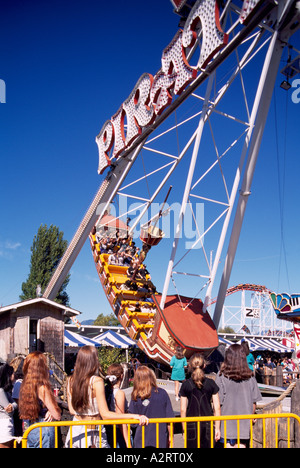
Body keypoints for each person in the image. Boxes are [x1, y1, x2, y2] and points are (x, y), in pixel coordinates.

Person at [65, 346, 148, 448]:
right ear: (92, 361)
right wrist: (134, 416)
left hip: (75, 431)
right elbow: (105, 414)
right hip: (93, 433)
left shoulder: (70, 380)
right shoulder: (96, 381)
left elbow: (72, 410)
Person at [215, 344, 262, 448]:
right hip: (244, 425)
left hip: (226, 424)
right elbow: (253, 402)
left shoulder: (221, 376)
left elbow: (218, 404)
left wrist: (217, 426)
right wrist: (251, 416)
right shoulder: (250, 377)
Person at [19, 352, 61, 448]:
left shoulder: (24, 386)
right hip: (44, 429)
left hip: (31, 428)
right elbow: (57, 415)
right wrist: (52, 410)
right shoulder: (42, 387)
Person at [179, 354, 221, 448]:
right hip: (208, 423)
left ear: (190, 366)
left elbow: (183, 409)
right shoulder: (211, 383)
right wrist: (217, 428)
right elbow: (217, 408)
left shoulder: (186, 385)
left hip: (191, 424)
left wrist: (184, 428)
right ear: (204, 366)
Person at [129, 366, 174, 448]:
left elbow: (132, 422)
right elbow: (170, 419)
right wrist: (171, 436)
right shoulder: (162, 393)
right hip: (160, 438)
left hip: (141, 440)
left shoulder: (135, 396)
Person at [105, 363, 129, 448]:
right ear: (121, 376)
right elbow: (120, 419)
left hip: (107, 429)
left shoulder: (105, 390)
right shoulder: (119, 393)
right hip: (118, 432)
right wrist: (128, 442)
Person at [0, 363, 17, 448]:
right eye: (12, 373)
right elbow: (9, 411)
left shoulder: (5, 390)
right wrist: (13, 407)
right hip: (4, 426)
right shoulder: (1, 391)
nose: (14, 375)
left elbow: (14, 404)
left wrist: (13, 406)